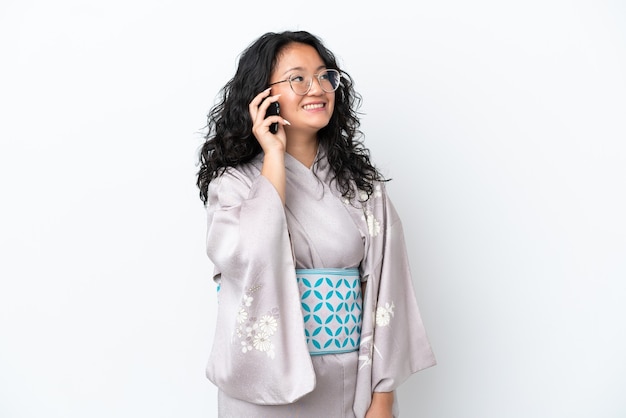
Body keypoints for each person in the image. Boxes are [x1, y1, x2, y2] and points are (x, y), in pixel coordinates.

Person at [196, 30, 436, 418]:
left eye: (325, 76)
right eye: (298, 78)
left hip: (347, 382)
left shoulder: (361, 186)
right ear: (262, 95)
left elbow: (390, 290)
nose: (317, 88)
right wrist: (273, 155)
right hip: (264, 385)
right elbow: (250, 256)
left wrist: (383, 395)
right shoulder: (234, 184)